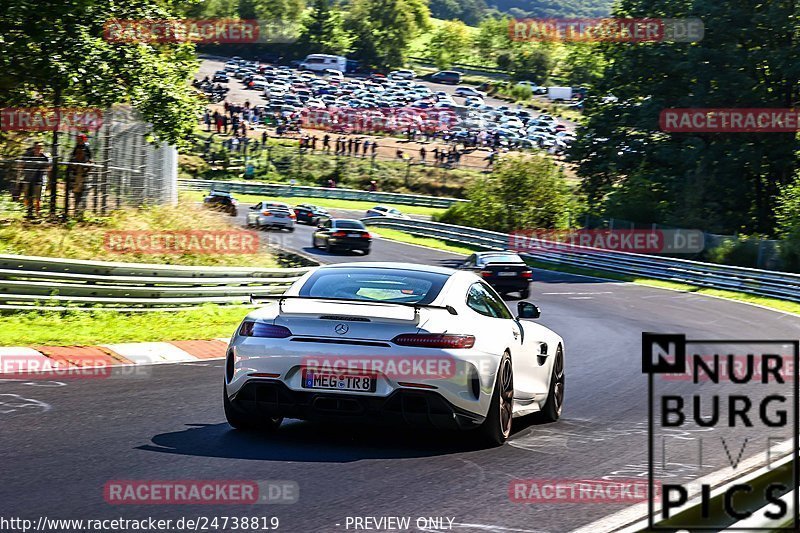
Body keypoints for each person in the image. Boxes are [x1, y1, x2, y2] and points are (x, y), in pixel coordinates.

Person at [19, 141, 50, 218]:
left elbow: (49, 167)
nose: (38, 150)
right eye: (36, 148)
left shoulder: (44, 157)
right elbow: (21, 164)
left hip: (39, 180)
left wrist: (48, 179)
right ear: (33, 148)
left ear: (42, 149)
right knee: (27, 196)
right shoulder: (28, 155)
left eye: (40, 148)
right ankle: (29, 211)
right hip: (28, 179)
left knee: (38, 198)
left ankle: (37, 213)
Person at [68, 134, 93, 213]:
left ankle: (80, 210)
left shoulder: (86, 147)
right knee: (75, 191)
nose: (78, 141)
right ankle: (76, 209)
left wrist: (88, 163)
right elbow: (73, 155)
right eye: (78, 139)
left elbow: (90, 157)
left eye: (80, 139)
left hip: (83, 167)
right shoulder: (76, 147)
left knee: (83, 191)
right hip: (76, 169)